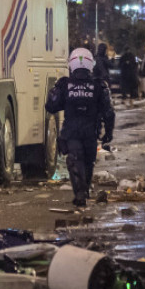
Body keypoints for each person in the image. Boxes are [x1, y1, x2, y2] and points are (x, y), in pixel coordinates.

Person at [45, 48, 115, 207]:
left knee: (75, 160)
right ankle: (84, 191)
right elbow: (109, 112)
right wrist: (108, 133)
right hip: (90, 133)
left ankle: (81, 193)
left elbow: (50, 106)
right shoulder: (98, 85)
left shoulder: (64, 84)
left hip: (71, 132)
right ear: (91, 64)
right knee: (88, 162)